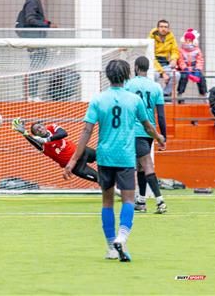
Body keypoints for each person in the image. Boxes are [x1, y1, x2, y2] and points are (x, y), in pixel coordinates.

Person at [64, 60, 165, 262]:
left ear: (107, 76)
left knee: (107, 202)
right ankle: (122, 237)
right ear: (127, 75)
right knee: (128, 200)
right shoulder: (134, 100)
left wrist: (72, 160)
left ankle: (111, 247)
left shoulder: (99, 100)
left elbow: (86, 131)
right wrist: (158, 137)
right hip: (126, 157)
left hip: (105, 157)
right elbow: (147, 126)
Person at [125, 56, 168, 214]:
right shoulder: (156, 87)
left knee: (146, 164)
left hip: (135, 131)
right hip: (150, 131)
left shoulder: (129, 85)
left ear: (136, 67)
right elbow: (161, 115)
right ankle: (141, 201)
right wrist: (163, 136)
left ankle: (160, 201)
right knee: (141, 166)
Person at [12, 118, 98, 183]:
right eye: (36, 131)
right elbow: (34, 142)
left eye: (39, 127)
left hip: (81, 151)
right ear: (36, 135)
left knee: (105, 157)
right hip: (74, 165)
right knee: (100, 179)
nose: (39, 130)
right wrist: (24, 132)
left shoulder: (52, 127)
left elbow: (64, 133)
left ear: (43, 125)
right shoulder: (41, 144)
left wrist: (47, 139)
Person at [16, 0, 57, 100]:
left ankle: (32, 95)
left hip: (36, 39)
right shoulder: (32, 0)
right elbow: (30, 19)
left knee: (37, 66)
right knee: (36, 67)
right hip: (34, 39)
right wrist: (47, 25)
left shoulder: (34, 0)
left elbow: (34, 18)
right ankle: (32, 96)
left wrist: (47, 23)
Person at [149, 20, 181, 98]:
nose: (163, 29)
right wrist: (163, 72)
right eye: (161, 27)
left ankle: (165, 94)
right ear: (157, 28)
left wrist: (174, 59)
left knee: (176, 75)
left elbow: (175, 50)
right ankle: (154, 95)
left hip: (166, 63)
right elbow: (151, 56)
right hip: (154, 64)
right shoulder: (151, 37)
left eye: (166, 27)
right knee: (155, 75)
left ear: (168, 28)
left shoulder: (171, 37)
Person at [177, 28, 207, 98]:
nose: (188, 42)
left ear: (193, 41)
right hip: (185, 67)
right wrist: (184, 68)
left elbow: (200, 60)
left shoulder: (197, 50)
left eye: (190, 40)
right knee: (183, 77)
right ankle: (180, 94)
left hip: (195, 67)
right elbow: (180, 60)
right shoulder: (181, 50)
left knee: (201, 77)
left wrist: (198, 69)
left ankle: (203, 93)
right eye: (186, 40)